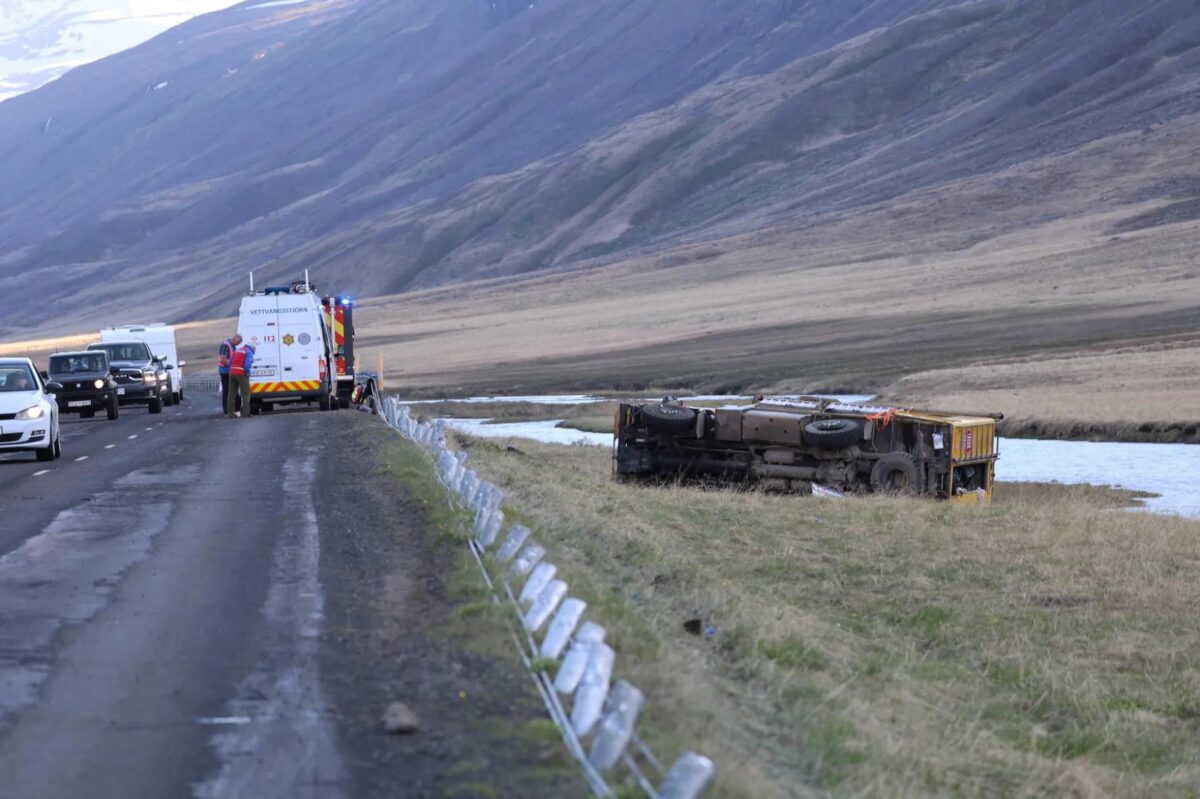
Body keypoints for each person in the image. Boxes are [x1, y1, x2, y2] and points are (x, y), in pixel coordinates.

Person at [225, 343, 255, 419]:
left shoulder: (237, 350)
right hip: (241, 373)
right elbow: (247, 365)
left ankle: (231, 414)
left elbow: (230, 363)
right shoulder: (249, 352)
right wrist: (247, 372)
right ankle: (245, 413)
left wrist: (230, 371)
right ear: (252, 349)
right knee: (246, 394)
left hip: (232, 373)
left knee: (231, 395)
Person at [217, 333, 242, 414]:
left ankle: (236, 409)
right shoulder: (225, 345)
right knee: (227, 390)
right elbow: (222, 359)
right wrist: (231, 365)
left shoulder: (232, 346)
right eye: (237, 343)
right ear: (234, 339)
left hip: (230, 371)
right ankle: (226, 410)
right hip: (225, 371)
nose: (237, 344)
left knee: (233, 390)